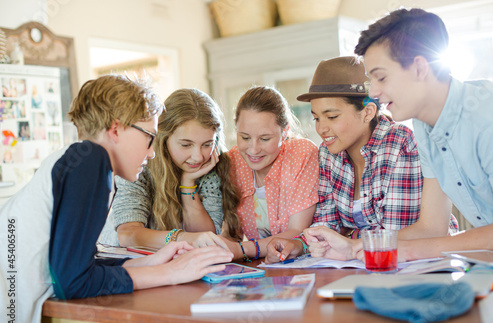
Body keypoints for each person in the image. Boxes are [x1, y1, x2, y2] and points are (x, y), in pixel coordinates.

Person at [0, 75, 233, 323]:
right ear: (115, 129)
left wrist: (150, 263)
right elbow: (73, 283)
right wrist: (173, 273)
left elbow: (75, 265)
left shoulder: (78, 159)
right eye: (149, 137)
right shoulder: (92, 162)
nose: (152, 151)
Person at [305, 8, 493, 262]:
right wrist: (353, 247)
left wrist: (402, 251)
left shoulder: (489, 116)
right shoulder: (427, 126)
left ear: (419, 67)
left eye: (381, 77)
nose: (373, 92)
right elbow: (430, 227)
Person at [265, 56, 458, 263]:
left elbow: (391, 235)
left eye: (332, 117)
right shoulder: (327, 154)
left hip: (426, 261)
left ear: (367, 112)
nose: (321, 128)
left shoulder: (399, 143)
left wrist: (346, 236)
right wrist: (299, 244)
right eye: (316, 118)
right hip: (361, 263)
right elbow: (325, 224)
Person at [99, 88, 241, 249]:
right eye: (186, 145)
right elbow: (128, 235)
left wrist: (188, 184)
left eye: (207, 144)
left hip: (173, 265)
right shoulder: (139, 165)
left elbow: (206, 236)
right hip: (120, 260)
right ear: (163, 138)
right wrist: (181, 238)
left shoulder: (212, 165)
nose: (198, 157)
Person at [225, 86, 319, 261]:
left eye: (265, 139)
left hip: (305, 264)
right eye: (245, 137)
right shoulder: (232, 161)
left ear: (284, 132)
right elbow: (230, 233)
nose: (253, 149)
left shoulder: (301, 154)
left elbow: (297, 231)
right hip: (264, 266)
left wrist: (242, 249)